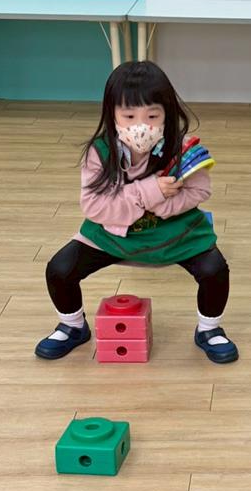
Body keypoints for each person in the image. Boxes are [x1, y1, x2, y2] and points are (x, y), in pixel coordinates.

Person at [35, 61, 238, 364]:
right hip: (112, 235)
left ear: (167, 113)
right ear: (112, 114)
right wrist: (150, 192)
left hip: (176, 233)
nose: (141, 125)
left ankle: (209, 329)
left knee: (215, 269)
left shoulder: (184, 147)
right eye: (129, 116)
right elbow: (94, 206)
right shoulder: (100, 152)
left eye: (152, 116)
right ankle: (73, 326)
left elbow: (199, 191)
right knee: (59, 269)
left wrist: (163, 204)